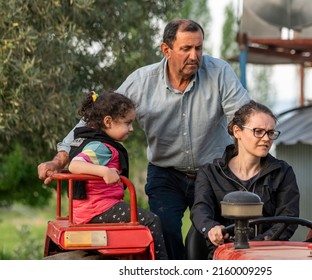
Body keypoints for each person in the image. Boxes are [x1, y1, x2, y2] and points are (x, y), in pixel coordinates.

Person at [37, 19, 251, 259]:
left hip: (213, 172)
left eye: (199, 48)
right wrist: (58, 160)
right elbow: (93, 120)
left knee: (215, 235)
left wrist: (253, 151)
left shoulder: (220, 72)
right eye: (186, 49)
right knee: (166, 230)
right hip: (166, 173)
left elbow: (245, 118)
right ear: (166, 50)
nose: (194, 55)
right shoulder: (141, 81)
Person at [190, 100, 300, 259]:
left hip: (268, 254)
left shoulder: (283, 173)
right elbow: (200, 210)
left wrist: (260, 243)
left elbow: (288, 219)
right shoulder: (210, 173)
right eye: (258, 131)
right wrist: (212, 228)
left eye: (270, 132)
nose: (266, 138)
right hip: (224, 254)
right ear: (237, 131)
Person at [66, 90, 168, 260]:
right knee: (152, 221)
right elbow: (75, 165)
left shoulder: (87, 140)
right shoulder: (101, 147)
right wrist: (104, 171)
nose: (131, 128)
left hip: (89, 208)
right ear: (108, 121)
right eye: (127, 123)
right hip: (96, 209)